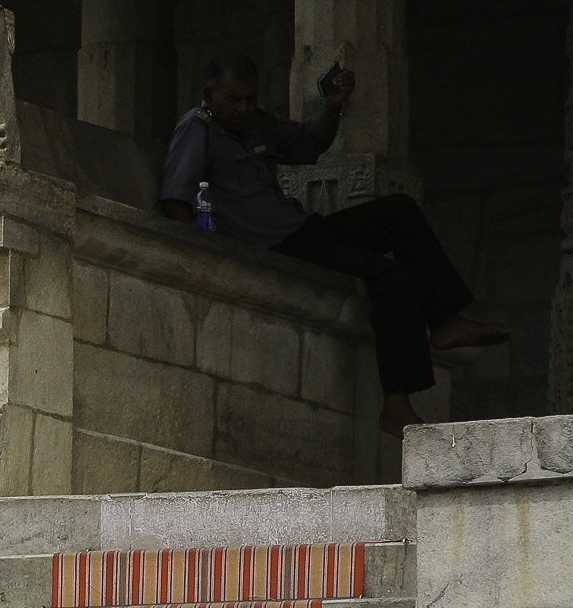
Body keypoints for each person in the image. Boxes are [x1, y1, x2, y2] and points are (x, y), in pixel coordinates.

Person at [159, 54, 509, 435]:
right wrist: (193, 262)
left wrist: (333, 109)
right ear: (210, 95)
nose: (242, 107)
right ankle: (396, 402)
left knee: (399, 211)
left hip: (304, 228)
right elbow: (177, 197)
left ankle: (445, 321)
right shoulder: (197, 128)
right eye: (233, 99)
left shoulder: (257, 123)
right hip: (274, 246)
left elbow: (312, 144)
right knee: (392, 277)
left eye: (248, 98)